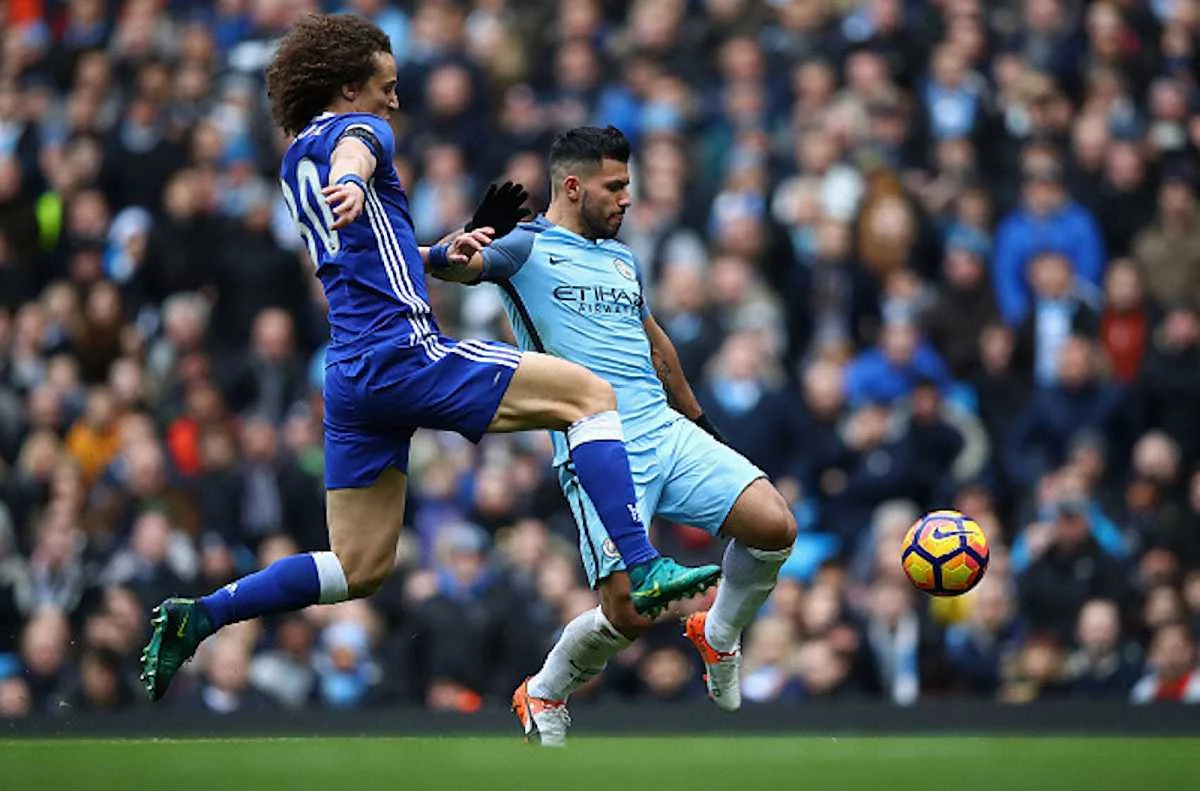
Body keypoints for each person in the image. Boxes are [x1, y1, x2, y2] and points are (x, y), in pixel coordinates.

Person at [138, 15, 720, 703]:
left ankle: (202, 614)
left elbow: (366, 255)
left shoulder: (295, 158)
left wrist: (440, 254)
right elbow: (360, 145)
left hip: (352, 375)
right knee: (591, 395)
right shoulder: (361, 133)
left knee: (359, 566)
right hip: (406, 352)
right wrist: (357, 178)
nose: (393, 100)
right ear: (348, 87)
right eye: (385, 86)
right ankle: (644, 562)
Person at [426, 126, 796, 746]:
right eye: (616, 186)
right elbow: (459, 268)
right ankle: (543, 689)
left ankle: (719, 634)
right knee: (629, 613)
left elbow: (655, 345)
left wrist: (701, 424)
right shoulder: (523, 247)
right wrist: (449, 252)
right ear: (573, 186)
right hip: (599, 445)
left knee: (774, 524)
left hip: (666, 429)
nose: (628, 198)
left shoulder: (622, 257)